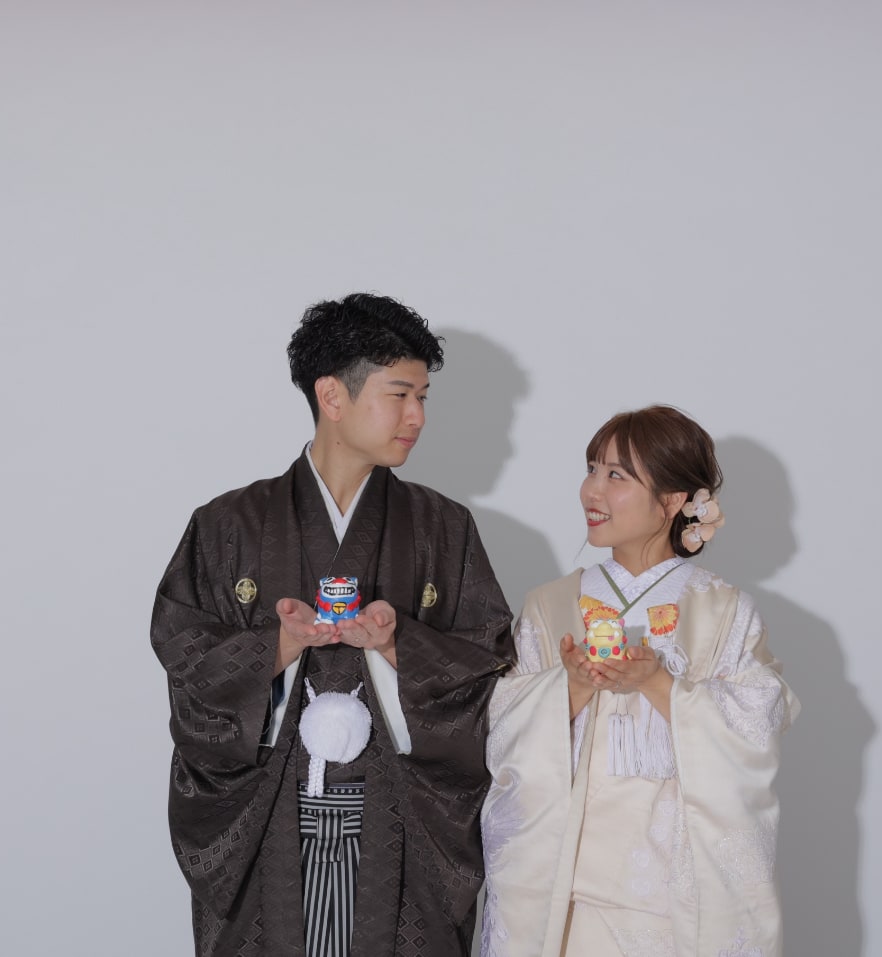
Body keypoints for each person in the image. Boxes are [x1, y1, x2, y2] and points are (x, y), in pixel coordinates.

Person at [152, 293, 515, 957]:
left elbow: (489, 658)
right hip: (267, 823)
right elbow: (184, 653)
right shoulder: (227, 524)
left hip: (402, 826)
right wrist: (277, 648)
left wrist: (398, 645)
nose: (418, 416)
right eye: (400, 394)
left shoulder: (444, 527)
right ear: (332, 396)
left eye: (423, 397)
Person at [480, 405, 799, 957]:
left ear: (673, 502)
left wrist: (660, 684)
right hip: (566, 883)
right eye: (591, 469)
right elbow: (500, 722)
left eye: (616, 475)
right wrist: (571, 687)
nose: (592, 490)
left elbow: (760, 720)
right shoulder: (550, 605)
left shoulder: (723, 610)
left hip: (674, 887)